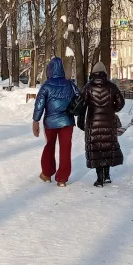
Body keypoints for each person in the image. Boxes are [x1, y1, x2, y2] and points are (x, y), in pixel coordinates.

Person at [32, 57, 78, 187]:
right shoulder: (70, 84)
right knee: (65, 149)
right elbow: (79, 98)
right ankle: (62, 179)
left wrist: (36, 120)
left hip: (50, 123)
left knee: (49, 146)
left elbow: (39, 104)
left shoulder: (46, 86)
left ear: (50, 70)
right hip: (67, 122)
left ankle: (47, 174)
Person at [80, 62, 126, 187]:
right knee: (107, 147)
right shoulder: (112, 87)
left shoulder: (88, 87)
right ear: (104, 73)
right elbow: (121, 102)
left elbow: (82, 104)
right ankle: (106, 176)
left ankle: (99, 179)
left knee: (97, 149)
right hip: (109, 122)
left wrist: (81, 118)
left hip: (93, 122)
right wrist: (113, 109)